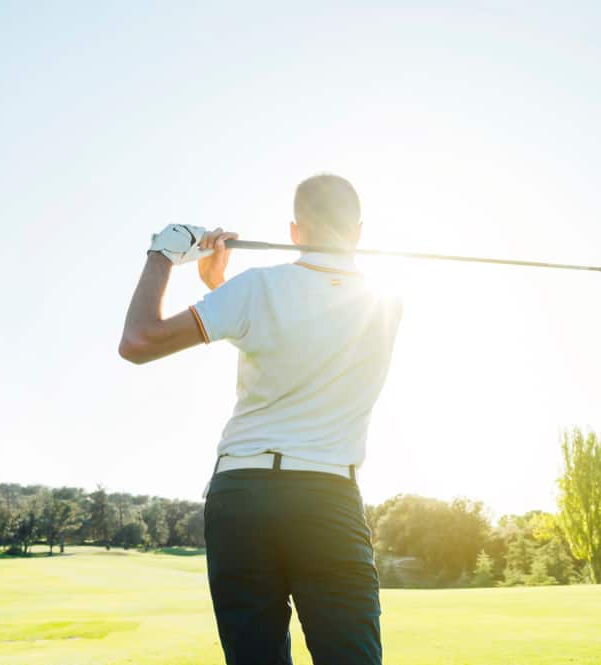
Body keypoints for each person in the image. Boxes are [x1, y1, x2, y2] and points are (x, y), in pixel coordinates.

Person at [119, 174, 403, 664]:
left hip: (244, 495)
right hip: (326, 499)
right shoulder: (385, 303)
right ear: (358, 232)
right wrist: (222, 290)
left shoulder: (255, 290)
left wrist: (163, 254)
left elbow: (139, 342)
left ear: (295, 230)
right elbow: (306, 324)